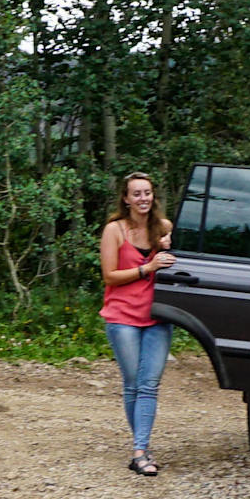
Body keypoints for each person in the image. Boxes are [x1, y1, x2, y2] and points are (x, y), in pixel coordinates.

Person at [100, 172, 178, 476]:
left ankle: (140, 451)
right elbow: (109, 276)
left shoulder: (164, 228)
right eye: (136, 194)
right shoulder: (114, 230)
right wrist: (148, 267)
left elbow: (179, 266)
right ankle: (142, 449)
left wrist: (170, 248)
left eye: (147, 193)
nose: (143, 198)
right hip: (122, 317)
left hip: (158, 315)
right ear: (126, 198)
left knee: (149, 385)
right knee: (133, 383)